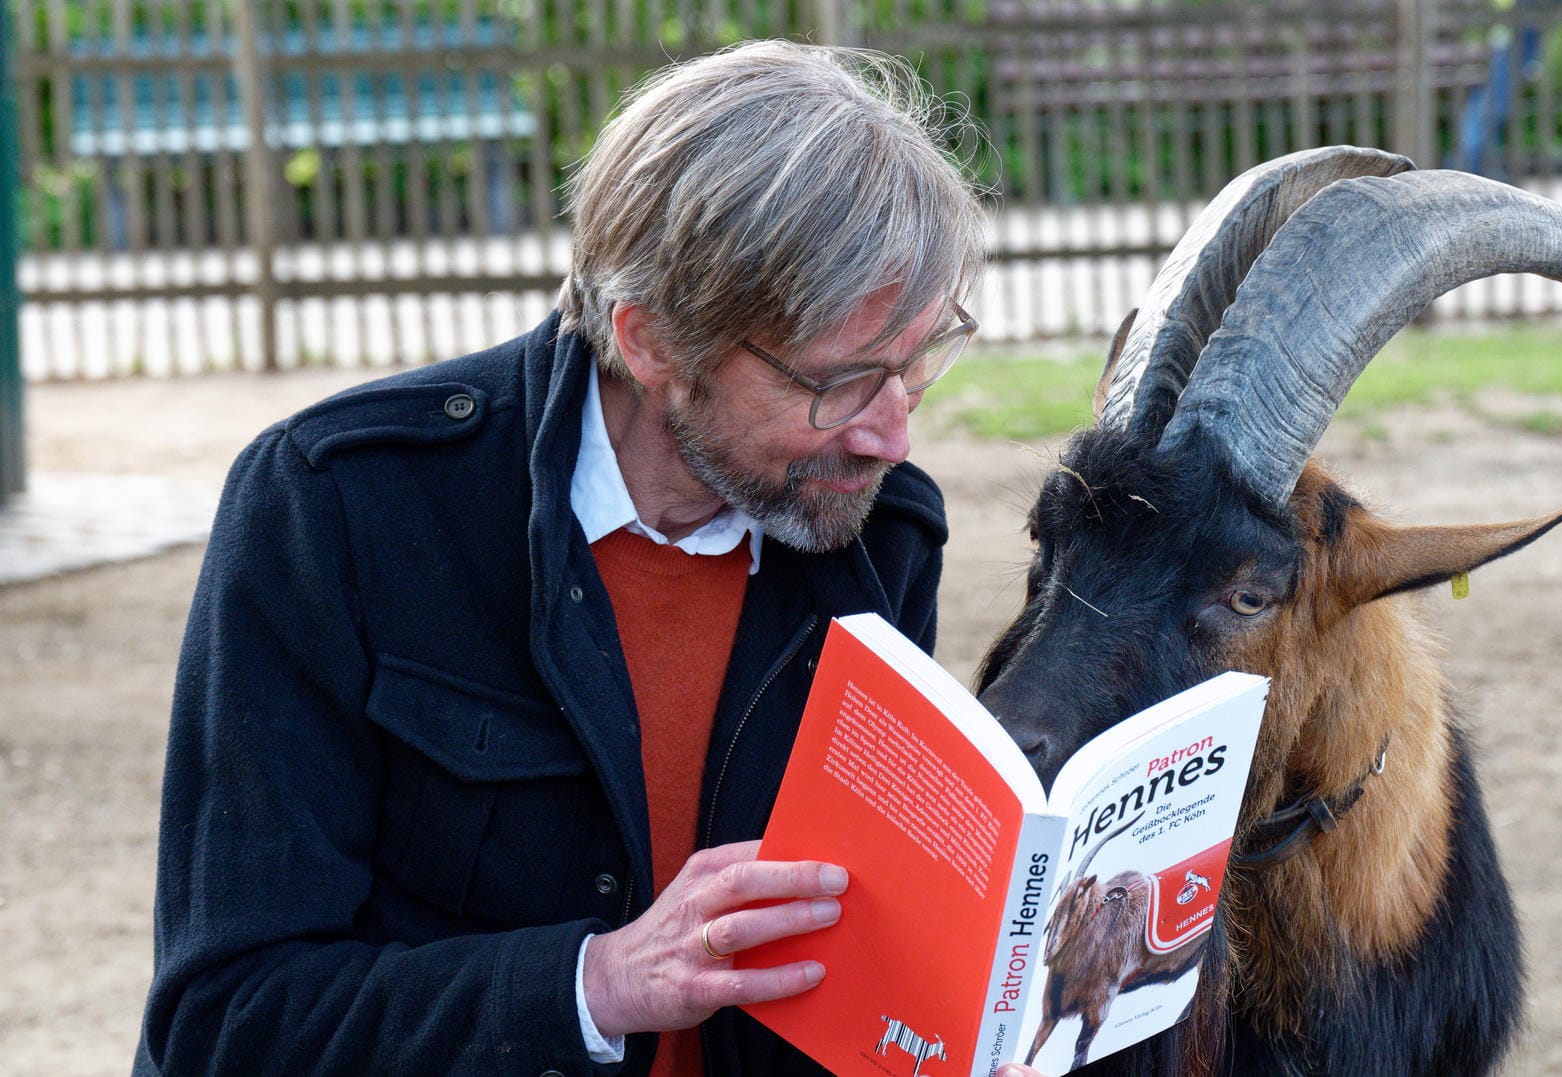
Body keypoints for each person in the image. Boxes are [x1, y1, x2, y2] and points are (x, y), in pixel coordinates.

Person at [135, 41, 985, 1076]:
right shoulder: (335, 508)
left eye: (917, 364)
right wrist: (591, 987)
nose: (890, 435)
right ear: (650, 342)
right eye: (842, 382)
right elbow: (225, 1025)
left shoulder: (876, 534)